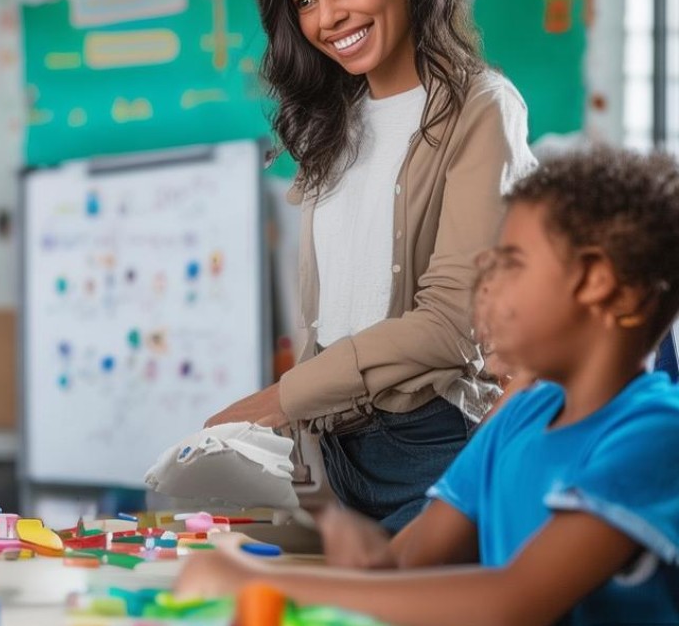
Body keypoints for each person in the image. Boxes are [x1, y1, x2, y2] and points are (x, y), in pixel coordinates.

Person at [178, 147, 679, 626]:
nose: (487, 286)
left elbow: (512, 604)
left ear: (597, 282)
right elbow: (411, 561)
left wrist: (260, 583)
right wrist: (356, 548)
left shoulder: (655, 432)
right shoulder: (521, 417)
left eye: (512, 262)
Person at [204, 0, 535, 531]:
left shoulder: (480, 107)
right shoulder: (333, 122)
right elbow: (329, 320)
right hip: (329, 454)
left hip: (432, 445)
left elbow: (448, 322)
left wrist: (278, 400)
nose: (328, 17)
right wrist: (290, 430)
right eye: (305, 2)